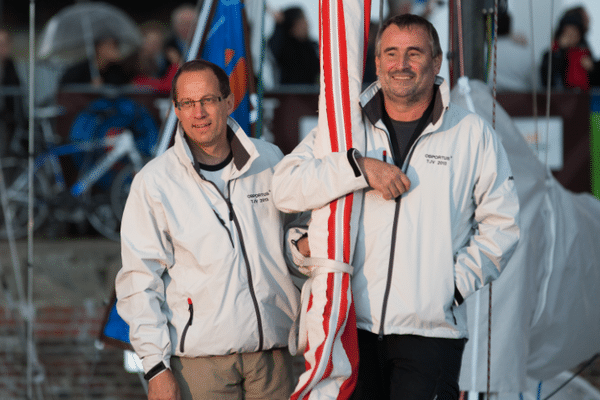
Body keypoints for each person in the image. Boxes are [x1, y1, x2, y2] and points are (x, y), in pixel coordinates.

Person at [272, 14, 520, 399]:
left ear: (436, 63)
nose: (401, 64)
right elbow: (286, 188)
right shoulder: (345, 130)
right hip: (350, 326)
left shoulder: (471, 133)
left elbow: (502, 225)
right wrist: (359, 168)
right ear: (375, 63)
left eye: (414, 53)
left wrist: (450, 286)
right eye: (391, 53)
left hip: (430, 332)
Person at [115, 59, 301, 400]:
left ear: (228, 102)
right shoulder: (154, 183)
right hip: (199, 365)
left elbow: (298, 241)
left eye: (208, 100)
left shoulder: (270, 160)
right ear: (176, 110)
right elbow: (139, 282)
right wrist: (155, 367)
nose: (198, 112)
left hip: (273, 357)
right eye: (187, 103)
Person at [540, 6, 598, 91]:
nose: (572, 36)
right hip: (560, 100)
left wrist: (593, 68)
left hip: (583, 99)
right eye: (568, 32)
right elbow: (548, 79)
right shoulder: (552, 54)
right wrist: (560, 51)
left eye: (575, 32)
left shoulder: (584, 52)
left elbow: (594, 82)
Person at [267, 6, 319, 85]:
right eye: (301, 21)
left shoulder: (313, 46)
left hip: (311, 95)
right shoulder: (285, 47)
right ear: (292, 26)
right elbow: (275, 48)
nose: (307, 24)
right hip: (289, 94)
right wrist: (279, 25)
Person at [59, 35, 129, 87]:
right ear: (98, 47)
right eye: (112, 45)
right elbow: (66, 89)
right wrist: (88, 87)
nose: (116, 49)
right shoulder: (78, 70)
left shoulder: (117, 70)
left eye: (116, 45)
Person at [489, 12, 533, 92]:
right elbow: (533, 82)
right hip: (519, 99)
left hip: (489, 96)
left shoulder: (485, 50)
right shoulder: (523, 51)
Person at [0, 27, 23, 157]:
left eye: (4, 44)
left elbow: (17, 89)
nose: (2, 48)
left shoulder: (11, 66)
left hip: (11, 116)